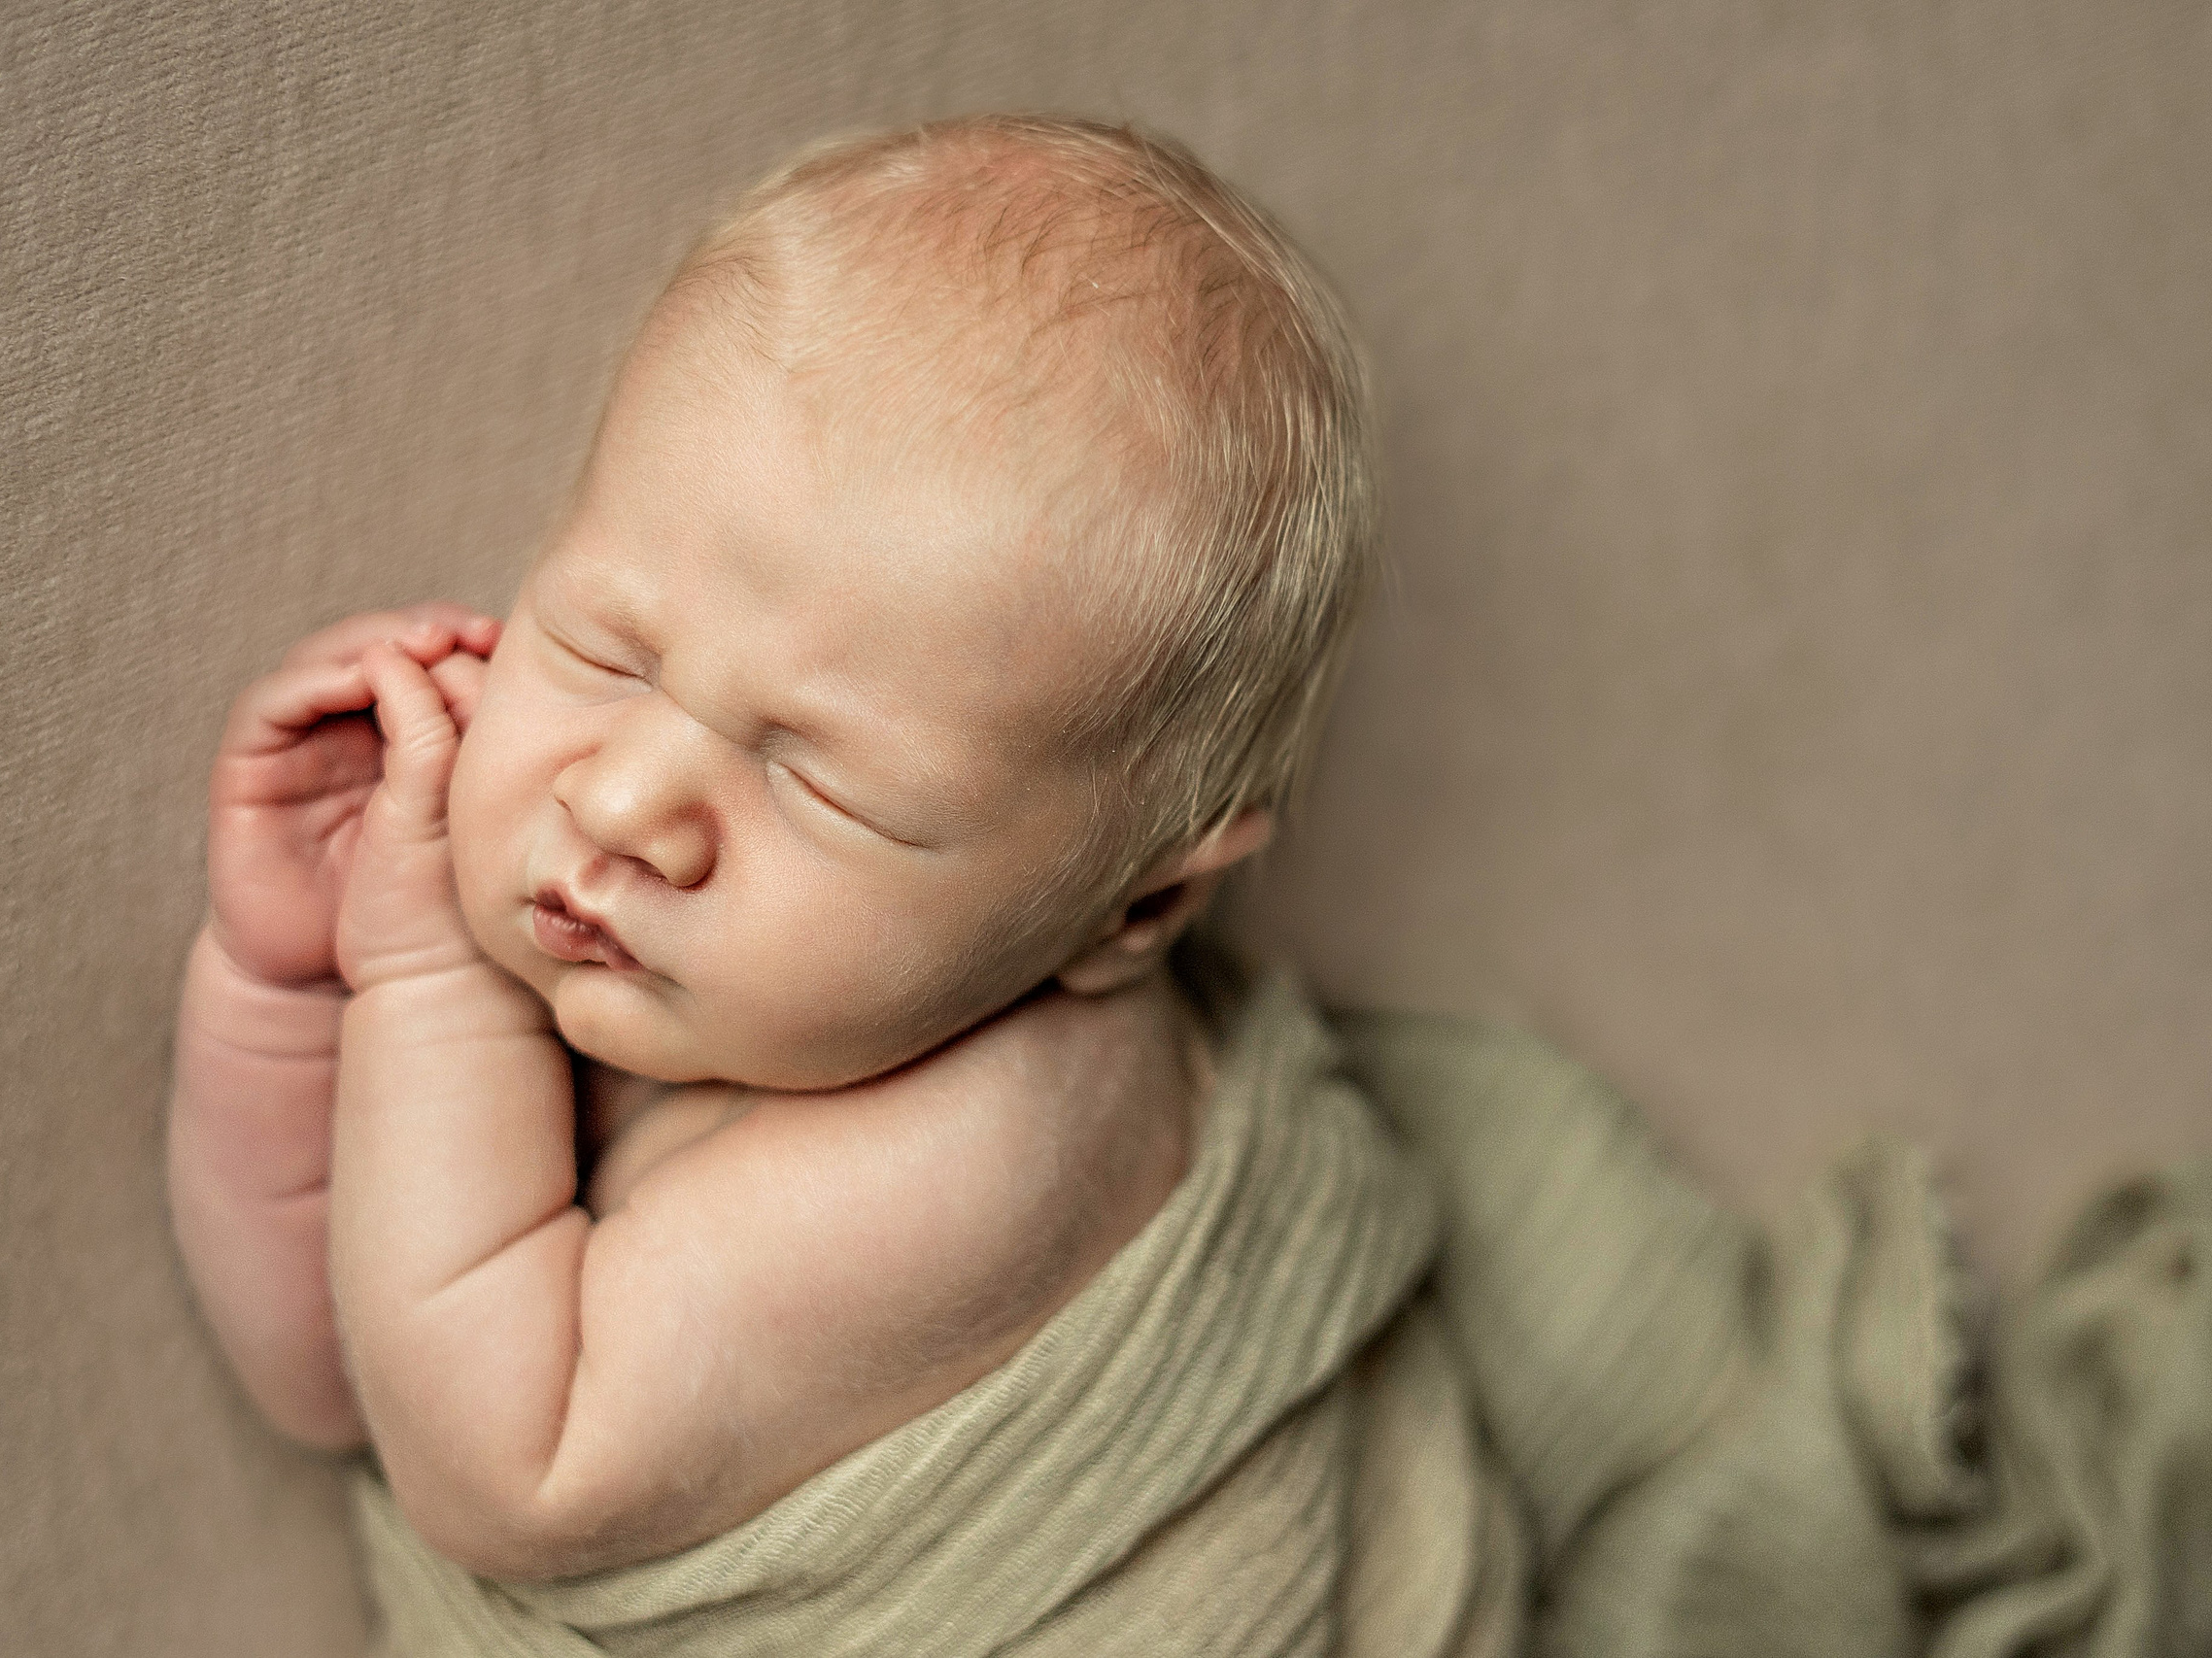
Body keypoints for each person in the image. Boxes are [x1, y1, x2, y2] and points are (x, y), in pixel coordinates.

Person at [167, 114, 1522, 1653]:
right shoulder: (749, 976)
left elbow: (492, 1467)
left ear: (1130, 909)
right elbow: (329, 1365)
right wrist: (284, 984)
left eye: (817, 778)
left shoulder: (975, 1158)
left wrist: (421, 981)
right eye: (604, 650)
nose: (619, 803)